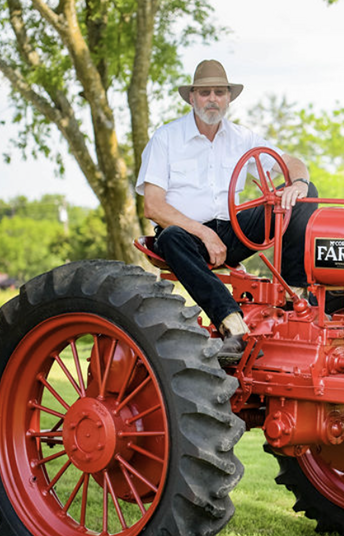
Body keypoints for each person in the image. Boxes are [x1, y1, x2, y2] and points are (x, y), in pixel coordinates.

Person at [136, 60, 318, 364]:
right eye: (205, 92)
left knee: (304, 197)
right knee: (171, 238)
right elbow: (152, 206)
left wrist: (297, 182)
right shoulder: (166, 139)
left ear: (228, 98)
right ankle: (232, 326)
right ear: (192, 97)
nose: (212, 99)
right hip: (188, 237)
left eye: (219, 92)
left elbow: (292, 163)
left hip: (233, 230)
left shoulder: (243, 138)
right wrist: (204, 233)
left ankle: (293, 297)